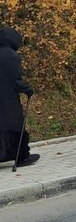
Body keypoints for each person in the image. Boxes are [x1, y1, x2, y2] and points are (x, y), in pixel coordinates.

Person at [0, 28, 40, 167]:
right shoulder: (10, 55)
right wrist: (28, 90)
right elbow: (15, 79)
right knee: (15, 126)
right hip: (7, 99)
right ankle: (22, 156)